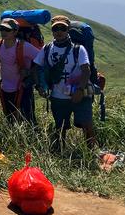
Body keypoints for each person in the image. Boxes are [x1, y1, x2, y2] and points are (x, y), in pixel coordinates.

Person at [33, 15, 97, 151]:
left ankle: (92, 155)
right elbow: (36, 66)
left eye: (63, 28)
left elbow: (86, 70)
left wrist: (79, 90)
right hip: (58, 96)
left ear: (68, 30)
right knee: (60, 127)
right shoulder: (47, 48)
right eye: (56, 28)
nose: (59, 31)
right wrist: (39, 86)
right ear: (52, 31)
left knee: (87, 125)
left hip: (80, 95)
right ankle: (60, 154)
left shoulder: (78, 49)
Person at [0, 18, 40, 125]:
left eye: (7, 30)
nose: (3, 32)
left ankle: (29, 139)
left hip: (23, 87)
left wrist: (29, 72)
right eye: (1, 29)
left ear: (15, 31)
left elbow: (42, 59)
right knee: (10, 118)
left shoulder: (24, 46)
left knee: (27, 119)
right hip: (5, 88)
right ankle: (15, 138)